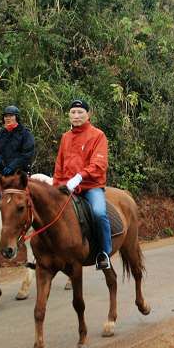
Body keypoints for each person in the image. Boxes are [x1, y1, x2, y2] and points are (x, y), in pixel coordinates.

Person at [53, 99, 112, 271]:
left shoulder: (98, 135)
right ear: (69, 115)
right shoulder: (65, 137)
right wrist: (56, 185)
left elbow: (99, 164)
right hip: (67, 187)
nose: (76, 116)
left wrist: (79, 177)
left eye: (80, 112)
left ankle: (104, 252)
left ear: (88, 114)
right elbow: (59, 165)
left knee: (99, 213)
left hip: (91, 186)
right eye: (73, 112)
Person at [0, 105, 35, 176]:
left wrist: (13, 166)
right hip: (1, 172)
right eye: (6, 116)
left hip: (19, 173)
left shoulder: (25, 134)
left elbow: (27, 154)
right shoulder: (0, 134)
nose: (7, 118)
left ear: (17, 117)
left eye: (11, 116)